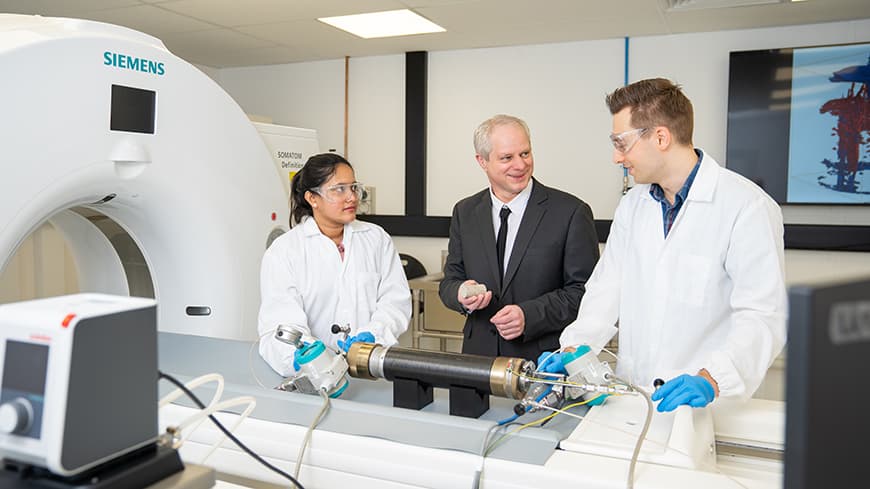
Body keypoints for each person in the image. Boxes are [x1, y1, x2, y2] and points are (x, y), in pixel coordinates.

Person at [539, 78, 787, 412]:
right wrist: (574, 348)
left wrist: (713, 378)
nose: (616, 157)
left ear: (660, 137)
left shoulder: (746, 206)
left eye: (621, 143)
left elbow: (763, 316)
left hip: (706, 404)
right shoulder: (633, 205)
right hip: (635, 397)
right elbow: (606, 287)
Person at [439, 114, 600, 361]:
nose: (520, 165)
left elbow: (585, 292)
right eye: (507, 158)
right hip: (477, 362)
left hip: (542, 362)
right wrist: (460, 293)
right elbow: (450, 281)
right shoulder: (465, 211)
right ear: (482, 161)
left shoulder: (571, 213)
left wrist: (530, 315)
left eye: (525, 154)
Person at [258, 153, 411, 377]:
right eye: (339, 189)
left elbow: (395, 301)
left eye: (353, 188)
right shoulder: (285, 251)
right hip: (316, 377)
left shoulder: (376, 238)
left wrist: (373, 335)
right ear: (313, 198)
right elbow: (281, 325)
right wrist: (312, 358)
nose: (351, 197)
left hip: (372, 369)